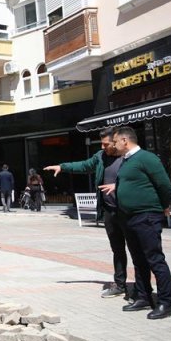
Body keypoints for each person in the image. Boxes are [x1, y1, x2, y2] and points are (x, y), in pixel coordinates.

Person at [101, 126, 171, 320]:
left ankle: (166, 303)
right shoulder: (127, 161)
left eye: (116, 141)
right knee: (138, 259)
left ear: (125, 141)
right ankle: (143, 296)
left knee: (154, 259)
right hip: (129, 217)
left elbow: (165, 186)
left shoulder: (147, 158)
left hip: (146, 216)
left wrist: (164, 205)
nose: (114, 145)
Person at [44, 127, 128, 298]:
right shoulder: (100, 157)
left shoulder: (129, 156)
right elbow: (84, 165)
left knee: (138, 249)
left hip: (129, 210)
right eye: (101, 144)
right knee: (117, 249)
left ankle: (142, 289)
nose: (103, 147)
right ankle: (120, 284)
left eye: (106, 144)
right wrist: (62, 166)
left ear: (117, 140)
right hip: (110, 211)